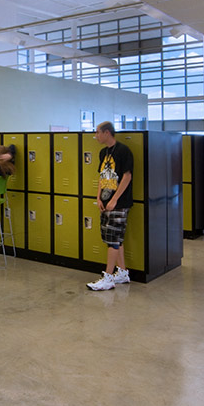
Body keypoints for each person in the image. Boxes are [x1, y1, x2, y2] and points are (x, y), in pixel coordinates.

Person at [87, 121, 133, 291]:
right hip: (106, 202)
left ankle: (108, 278)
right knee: (115, 238)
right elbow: (102, 176)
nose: (96, 136)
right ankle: (122, 273)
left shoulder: (123, 151)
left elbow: (127, 177)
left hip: (119, 203)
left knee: (112, 241)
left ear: (107, 132)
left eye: (98, 132)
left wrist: (115, 199)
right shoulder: (103, 153)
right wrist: (99, 197)